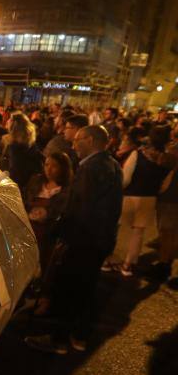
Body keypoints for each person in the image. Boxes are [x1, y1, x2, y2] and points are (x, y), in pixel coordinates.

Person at [26, 125, 123, 354]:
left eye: (78, 139)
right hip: (98, 240)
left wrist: (62, 233)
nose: (73, 144)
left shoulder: (91, 168)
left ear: (90, 140)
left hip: (83, 240)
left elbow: (81, 208)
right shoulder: (112, 165)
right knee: (85, 290)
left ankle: (59, 339)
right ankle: (78, 335)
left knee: (69, 289)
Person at [116, 125, 176, 276]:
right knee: (138, 233)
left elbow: (126, 178)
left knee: (116, 228)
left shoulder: (139, 154)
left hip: (130, 195)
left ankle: (109, 259)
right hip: (149, 198)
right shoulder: (168, 160)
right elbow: (164, 185)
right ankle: (128, 266)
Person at [24, 152, 72, 315]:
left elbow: (63, 210)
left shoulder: (66, 189)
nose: (49, 169)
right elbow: (25, 200)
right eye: (46, 165)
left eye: (54, 166)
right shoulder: (36, 181)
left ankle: (44, 299)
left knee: (47, 265)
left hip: (50, 233)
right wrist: (31, 211)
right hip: (30, 228)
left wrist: (48, 214)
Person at [5, 112, 44, 190]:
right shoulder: (32, 145)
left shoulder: (14, 149)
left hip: (16, 188)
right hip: (28, 188)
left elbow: (14, 173)